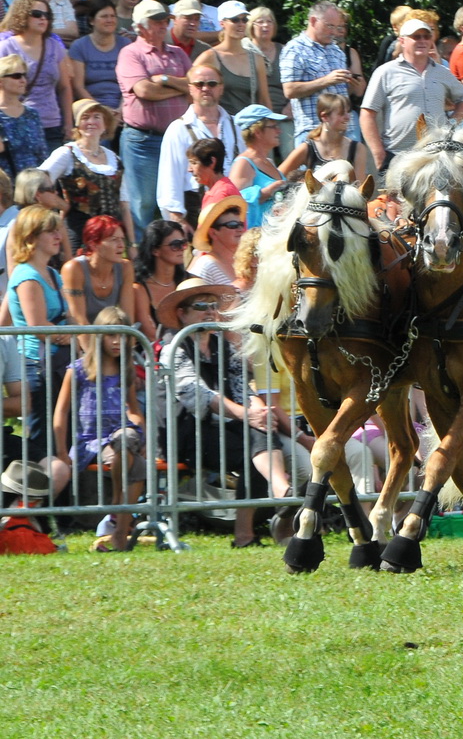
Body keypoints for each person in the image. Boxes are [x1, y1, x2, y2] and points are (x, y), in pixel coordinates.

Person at [160, 276, 293, 547]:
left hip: (223, 427)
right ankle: (264, 515)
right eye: (200, 306)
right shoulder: (173, 348)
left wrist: (260, 413)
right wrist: (246, 415)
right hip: (186, 434)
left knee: (261, 432)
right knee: (251, 450)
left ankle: (281, 493)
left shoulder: (223, 346)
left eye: (213, 305)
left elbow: (242, 387)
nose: (210, 311)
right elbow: (198, 395)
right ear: (182, 314)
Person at [54, 305, 146, 548]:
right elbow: (61, 412)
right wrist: (62, 451)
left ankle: (118, 522)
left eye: (123, 336)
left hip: (122, 434)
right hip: (91, 440)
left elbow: (134, 410)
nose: (117, 342)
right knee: (135, 463)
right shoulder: (78, 370)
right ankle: (118, 521)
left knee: (127, 442)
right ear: (99, 336)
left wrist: (144, 435)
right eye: (111, 335)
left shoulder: (125, 370)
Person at [7, 205, 72, 463]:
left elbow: (67, 316)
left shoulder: (53, 273)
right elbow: (38, 326)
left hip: (56, 364)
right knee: (43, 440)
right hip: (37, 367)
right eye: (50, 231)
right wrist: (66, 334)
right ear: (31, 237)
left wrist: (70, 332)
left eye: (58, 230)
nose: (58, 236)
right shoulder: (27, 276)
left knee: (62, 437)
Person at [361, 18, 463, 171]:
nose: (422, 41)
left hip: (436, 155)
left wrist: (450, 124)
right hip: (399, 155)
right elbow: (367, 113)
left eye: (426, 36)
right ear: (402, 41)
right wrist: (378, 153)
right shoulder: (386, 72)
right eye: (416, 37)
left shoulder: (442, 72)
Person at [157, 64, 239, 224]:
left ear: (221, 88)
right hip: (196, 207)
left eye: (212, 84)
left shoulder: (236, 124)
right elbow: (169, 178)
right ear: (190, 88)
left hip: (234, 204)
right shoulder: (178, 128)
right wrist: (178, 220)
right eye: (199, 84)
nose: (205, 88)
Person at [43, 99, 130, 248]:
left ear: (105, 124)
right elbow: (37, 181)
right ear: (77, 125)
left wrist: (132, 244)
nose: (91, 122)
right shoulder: (67, 153)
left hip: (111, 238)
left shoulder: (114, 159)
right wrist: (63, 206)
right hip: (80, 234)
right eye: (85, 117)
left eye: (96, 117)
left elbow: (124, 206)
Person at [279, 1, 361, 145]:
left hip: (345, 130)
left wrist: (350, 83)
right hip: (314, 131)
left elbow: (340, 91)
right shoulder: (295, 49)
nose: (334, 32)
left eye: (337, 27)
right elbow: (289, 90)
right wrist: (326, 80)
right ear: (313, 21)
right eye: (330, 26)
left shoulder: (336, 51)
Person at [0, 0, 73, 150]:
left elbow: (64, 87)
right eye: (37, 14)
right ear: (22, 16)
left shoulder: (54, 46)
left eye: (47, 15)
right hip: (17, 122)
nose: (43, 18)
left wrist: (68, 123)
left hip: (52, 124)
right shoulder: (6, 47)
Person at [60, 216, 134, 329]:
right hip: (76, 335)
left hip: (108, 335)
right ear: (94, 245)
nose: (121, 245)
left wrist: (127, 339)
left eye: (122, 239)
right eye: (114, 240)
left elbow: (127, 318)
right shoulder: (74, 269)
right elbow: (79, 320)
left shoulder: (125, 268)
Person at [228, 105, 296, 228]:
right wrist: (266, 192)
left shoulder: (268, 162)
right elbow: (234, 204)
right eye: (273, 127)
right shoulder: (243, 164)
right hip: (258, 235)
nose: (279, 131)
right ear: (258, 132)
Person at [282, 92, 373, 182]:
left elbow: (359, 186)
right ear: (324, 116)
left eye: (348, 112)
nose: (347, 117)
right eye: (341, 113)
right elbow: (279, 175)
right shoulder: (308, 148)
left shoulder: (357, 148)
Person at [65, 0, 131, 117]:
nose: (110, 20)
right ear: (92, 21)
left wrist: (121, 109)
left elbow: (130, 84)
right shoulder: (79, 46)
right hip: (90, 109)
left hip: (123, 108)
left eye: (112, 16)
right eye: (104, 16)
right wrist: (101, 111)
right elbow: (78, 87)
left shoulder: (125, 45)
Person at [132, 218, 189, 341]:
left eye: (183, 243)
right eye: (175, 245)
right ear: (155, 250)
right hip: (157, 350)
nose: (182, 248)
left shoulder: (190, 281)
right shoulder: (139, 288)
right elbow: (150, 333)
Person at [0, 53, 48, 178]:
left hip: (33, 184)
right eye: (16, 76)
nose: (23, 80)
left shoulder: (32, 114)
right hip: (5, 185)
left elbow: (42, 153)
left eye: (24, 75)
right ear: (1, 81)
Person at [188, 195, 246, 285]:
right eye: (233, 225)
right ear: (213, 233)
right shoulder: (205, 267)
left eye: (241, 224)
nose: (240, 229)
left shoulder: (246, 262)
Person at [243, 7, 285, 111]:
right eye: (260, 22)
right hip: (253, 111)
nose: (266, 25)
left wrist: (291, 107)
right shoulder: (243, 51)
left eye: (269, 22)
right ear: (251, 26)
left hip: (284, 112)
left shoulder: (284, 51)